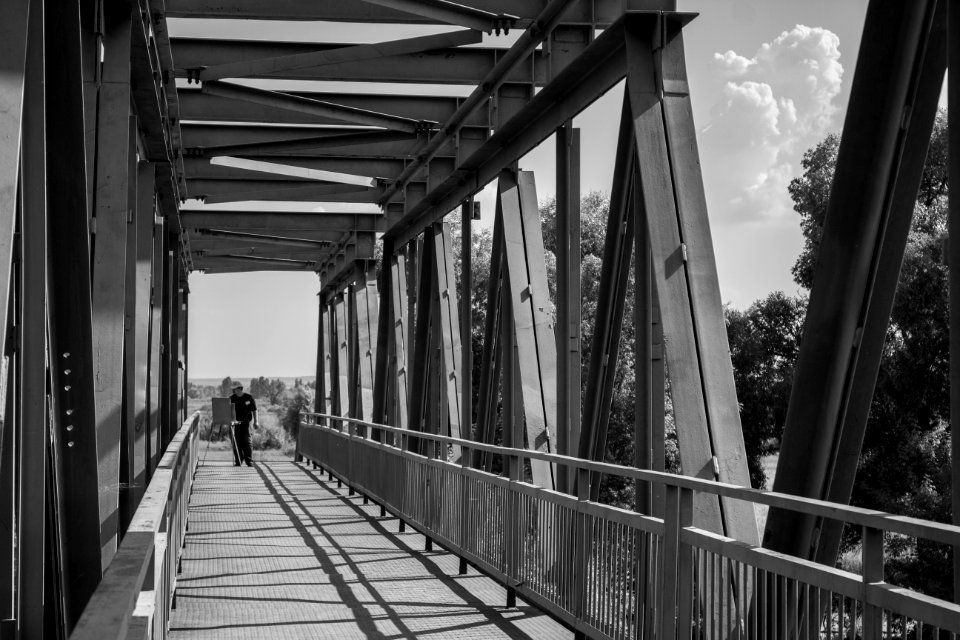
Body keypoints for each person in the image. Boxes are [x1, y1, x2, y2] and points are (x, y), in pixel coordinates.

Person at [229, 382, 258, 466]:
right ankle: (238, 461)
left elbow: (254, 410)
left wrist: (256, 421)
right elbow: (227, 410)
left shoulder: (248, 398)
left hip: (246, 423)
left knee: (247, 442)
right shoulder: (231, 398)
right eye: (233, 389)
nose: (233, 390)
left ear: (239, 388)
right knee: (236, 442)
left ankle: (249, 461)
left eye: (234, 389)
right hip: (235, 423)